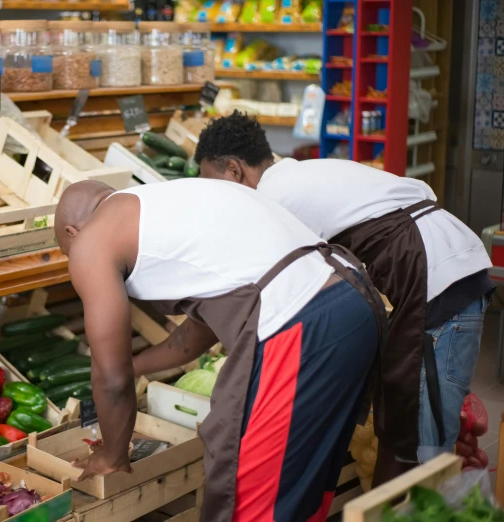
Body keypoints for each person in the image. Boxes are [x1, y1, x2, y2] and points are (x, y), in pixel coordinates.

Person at [55, 178, 386, 521]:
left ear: (72, 232)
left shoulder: (91, 241)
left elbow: (110, 380)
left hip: (301, 324)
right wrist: (132, 365)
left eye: (68, 254)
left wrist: (111, 455)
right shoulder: (164, 207)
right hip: (352, 301)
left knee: (248, 500)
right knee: (303, 487)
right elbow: (187, 342)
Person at [195, 111, 495, 485]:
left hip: (434, 278)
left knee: (419, 447)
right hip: (431, 270)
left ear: (234, 170)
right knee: (401, 427)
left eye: (213, 183)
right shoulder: (294, 174)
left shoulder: (274, 199)